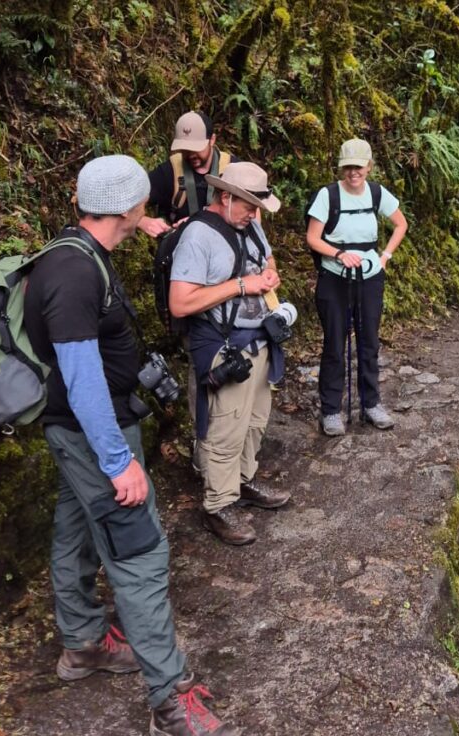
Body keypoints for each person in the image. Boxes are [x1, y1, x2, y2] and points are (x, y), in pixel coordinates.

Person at [23, 155, 243, 736]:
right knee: (140, 553)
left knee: (75, 527)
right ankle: (170, 701)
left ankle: (82, 642)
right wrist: (119, 462)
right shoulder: (75, 275)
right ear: (127, 207)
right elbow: (82, 377)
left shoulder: (77, 250)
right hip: (96, 435)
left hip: (78, 432)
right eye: (143, 200)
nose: (150, 205)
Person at [168, 162, 292, 546]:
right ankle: (218, 505)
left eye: (258, 207)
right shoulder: (198, 237)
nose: (255, 214)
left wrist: (269, 276)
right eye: (249, 206)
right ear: (225, 197)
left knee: (254, 421)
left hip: (259, 340)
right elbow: (180, 302)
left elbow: (266, 260)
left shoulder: (249, 224)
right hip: (223, 345)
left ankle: (243, 480)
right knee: (225, 426)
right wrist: (241, 285)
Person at [305, 138, 408, 436]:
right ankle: (331, 410)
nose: (353, 172)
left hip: (370, 277)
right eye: (348, 167)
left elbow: (401, 224)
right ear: (341, 168)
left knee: (369, 341)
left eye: (359, 167)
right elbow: (312, 238)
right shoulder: (327, 195)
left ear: (369, 167)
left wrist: (385, 257)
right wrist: (338, 254)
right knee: (335, 343)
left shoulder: (376, 193)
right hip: (334, 278)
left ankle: (371, 403)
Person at [138, 111, 231, 238]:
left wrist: (197, 222)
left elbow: (251, 211)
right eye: (185, 149)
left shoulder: (232, 168)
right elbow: (129, 200)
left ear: (212, 140)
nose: (191, 154)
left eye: (196, 148)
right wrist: (142, 221)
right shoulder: (170, 170)